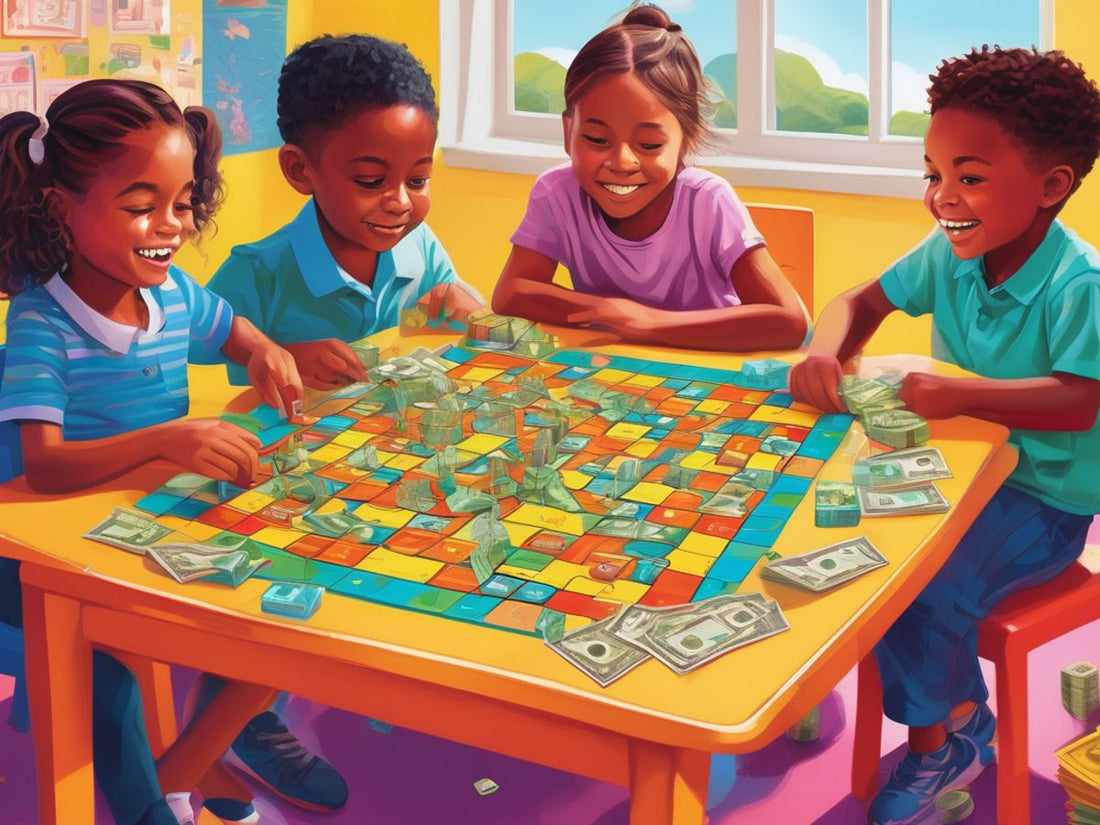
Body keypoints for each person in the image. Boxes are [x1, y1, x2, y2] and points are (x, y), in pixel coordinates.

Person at [788, 46, 1100, 825]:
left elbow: (1081, 400)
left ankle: (942, 744)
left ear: (1052, 186)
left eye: (968, 177)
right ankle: (964, 711)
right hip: (961, 470)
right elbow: (859, 300)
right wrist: (824, 348)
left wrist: (959, 390)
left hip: (1044, 501)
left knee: (923, 583)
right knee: (864, 556)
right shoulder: (952, 253)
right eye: (932, 173)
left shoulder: (1080, 283)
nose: (940, 198)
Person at [0, 79, 304, 824]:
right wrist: (171, 439)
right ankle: (150, 811)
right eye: (142, 206)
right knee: (109, 676)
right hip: (41, 557)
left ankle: (187, 767)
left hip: (148, 527)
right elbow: (44, 464)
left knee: (288, 610)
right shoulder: (43, 323)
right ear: (60, 207)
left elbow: (236, 333)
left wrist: (266, 351)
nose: (169, 227)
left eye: (181, 203)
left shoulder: (175, 295)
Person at [492, 2, 808, 350]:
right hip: (612, 372)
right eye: (597, 139)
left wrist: (650, 323)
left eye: (649, 144)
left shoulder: (708, 201)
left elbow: (789, 320)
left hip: (709, 374)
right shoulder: (556, 192)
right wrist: (607, 311)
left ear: (684, 140)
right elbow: (510, 293)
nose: (622, 162)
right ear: (568, 131)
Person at [207, 33, 484, 392]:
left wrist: (472, 310)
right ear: (299, 169)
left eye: (418, 180)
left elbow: (454, 313)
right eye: (370, 181)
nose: (401, 202)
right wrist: (279, 357)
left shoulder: (421, 246)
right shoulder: (254, 276)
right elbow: (183, 384)